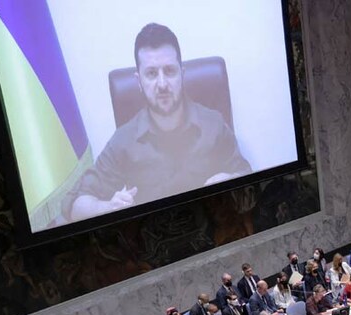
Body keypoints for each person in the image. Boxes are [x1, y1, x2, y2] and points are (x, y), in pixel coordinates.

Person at [68, 23, 250, 221]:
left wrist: (231, 181)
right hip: (155, 241)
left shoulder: (213, 124)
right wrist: (107, 207)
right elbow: (75, 204)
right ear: (139, 81)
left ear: (182, 73)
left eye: (170, 71)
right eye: (152, 74)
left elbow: (248, 182)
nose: (162, 84)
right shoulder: (123, 141)